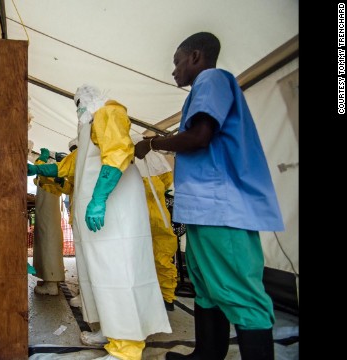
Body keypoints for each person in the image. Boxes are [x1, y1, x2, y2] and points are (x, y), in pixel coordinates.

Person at [134, 32, 284, 360]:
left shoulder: (212, 79)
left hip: (222, 206)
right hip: (202, 207)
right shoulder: (203, 90)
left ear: (196, 57)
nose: (174, 70)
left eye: (177, 62)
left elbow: (200, 136)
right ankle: (205, 354)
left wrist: (152, 144)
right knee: (206, 288)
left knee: (241, 293)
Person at [29, 84, 171, 360]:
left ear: (93, 100)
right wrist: (35, 168)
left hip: (114, 214)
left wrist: (99, 199)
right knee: (98, 276)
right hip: (98, 219)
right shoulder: (88, 130)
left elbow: (117, 153)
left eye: (80, 102)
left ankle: (127, 347)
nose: (78, 108)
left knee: (118, 274)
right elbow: (63, 167)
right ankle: (109, 329)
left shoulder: (108, 113)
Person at [132, 133, 178, 311]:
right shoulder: (158, 160)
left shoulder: (127, 161)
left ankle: (148, 298)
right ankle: (167, 297)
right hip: (159, 217)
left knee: (140, 258)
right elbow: (167, 183)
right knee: (163, 257)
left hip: (138, 218)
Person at [31, 148, 72, 296]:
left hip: (48, 209)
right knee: (45, 241)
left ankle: (51, 283)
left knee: (48, 241)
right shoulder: (50, 177)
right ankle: (49, 278)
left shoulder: (52, 174)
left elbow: (41, 169)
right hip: (46, 209)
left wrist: (41, 158)